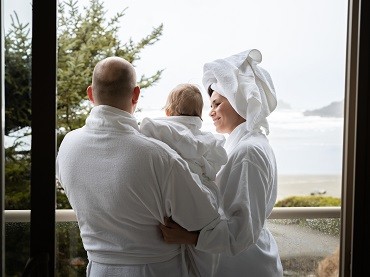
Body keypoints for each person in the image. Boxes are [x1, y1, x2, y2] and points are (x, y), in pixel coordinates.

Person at [55, 56, 222, 277]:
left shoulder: (68, 146)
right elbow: (205, 217)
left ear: (90, 94)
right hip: (156, 270)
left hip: (98, 269)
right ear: (136, 94)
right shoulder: (159, 156)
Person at [160, 49, 284, 277]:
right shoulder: (243, 145)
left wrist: (188, 237)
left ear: (240, 100)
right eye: (210, 106)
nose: (211, 112)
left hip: (244, 266)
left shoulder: (248, 152)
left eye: (217, 104)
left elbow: (243, 231)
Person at [140, 83, 228, 276]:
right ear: (199, 116)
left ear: (169, 111)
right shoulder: (206, 139)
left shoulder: (160, 129)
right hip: (203, 198)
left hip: (172, 198)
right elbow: (217, 163)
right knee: (204, 259)